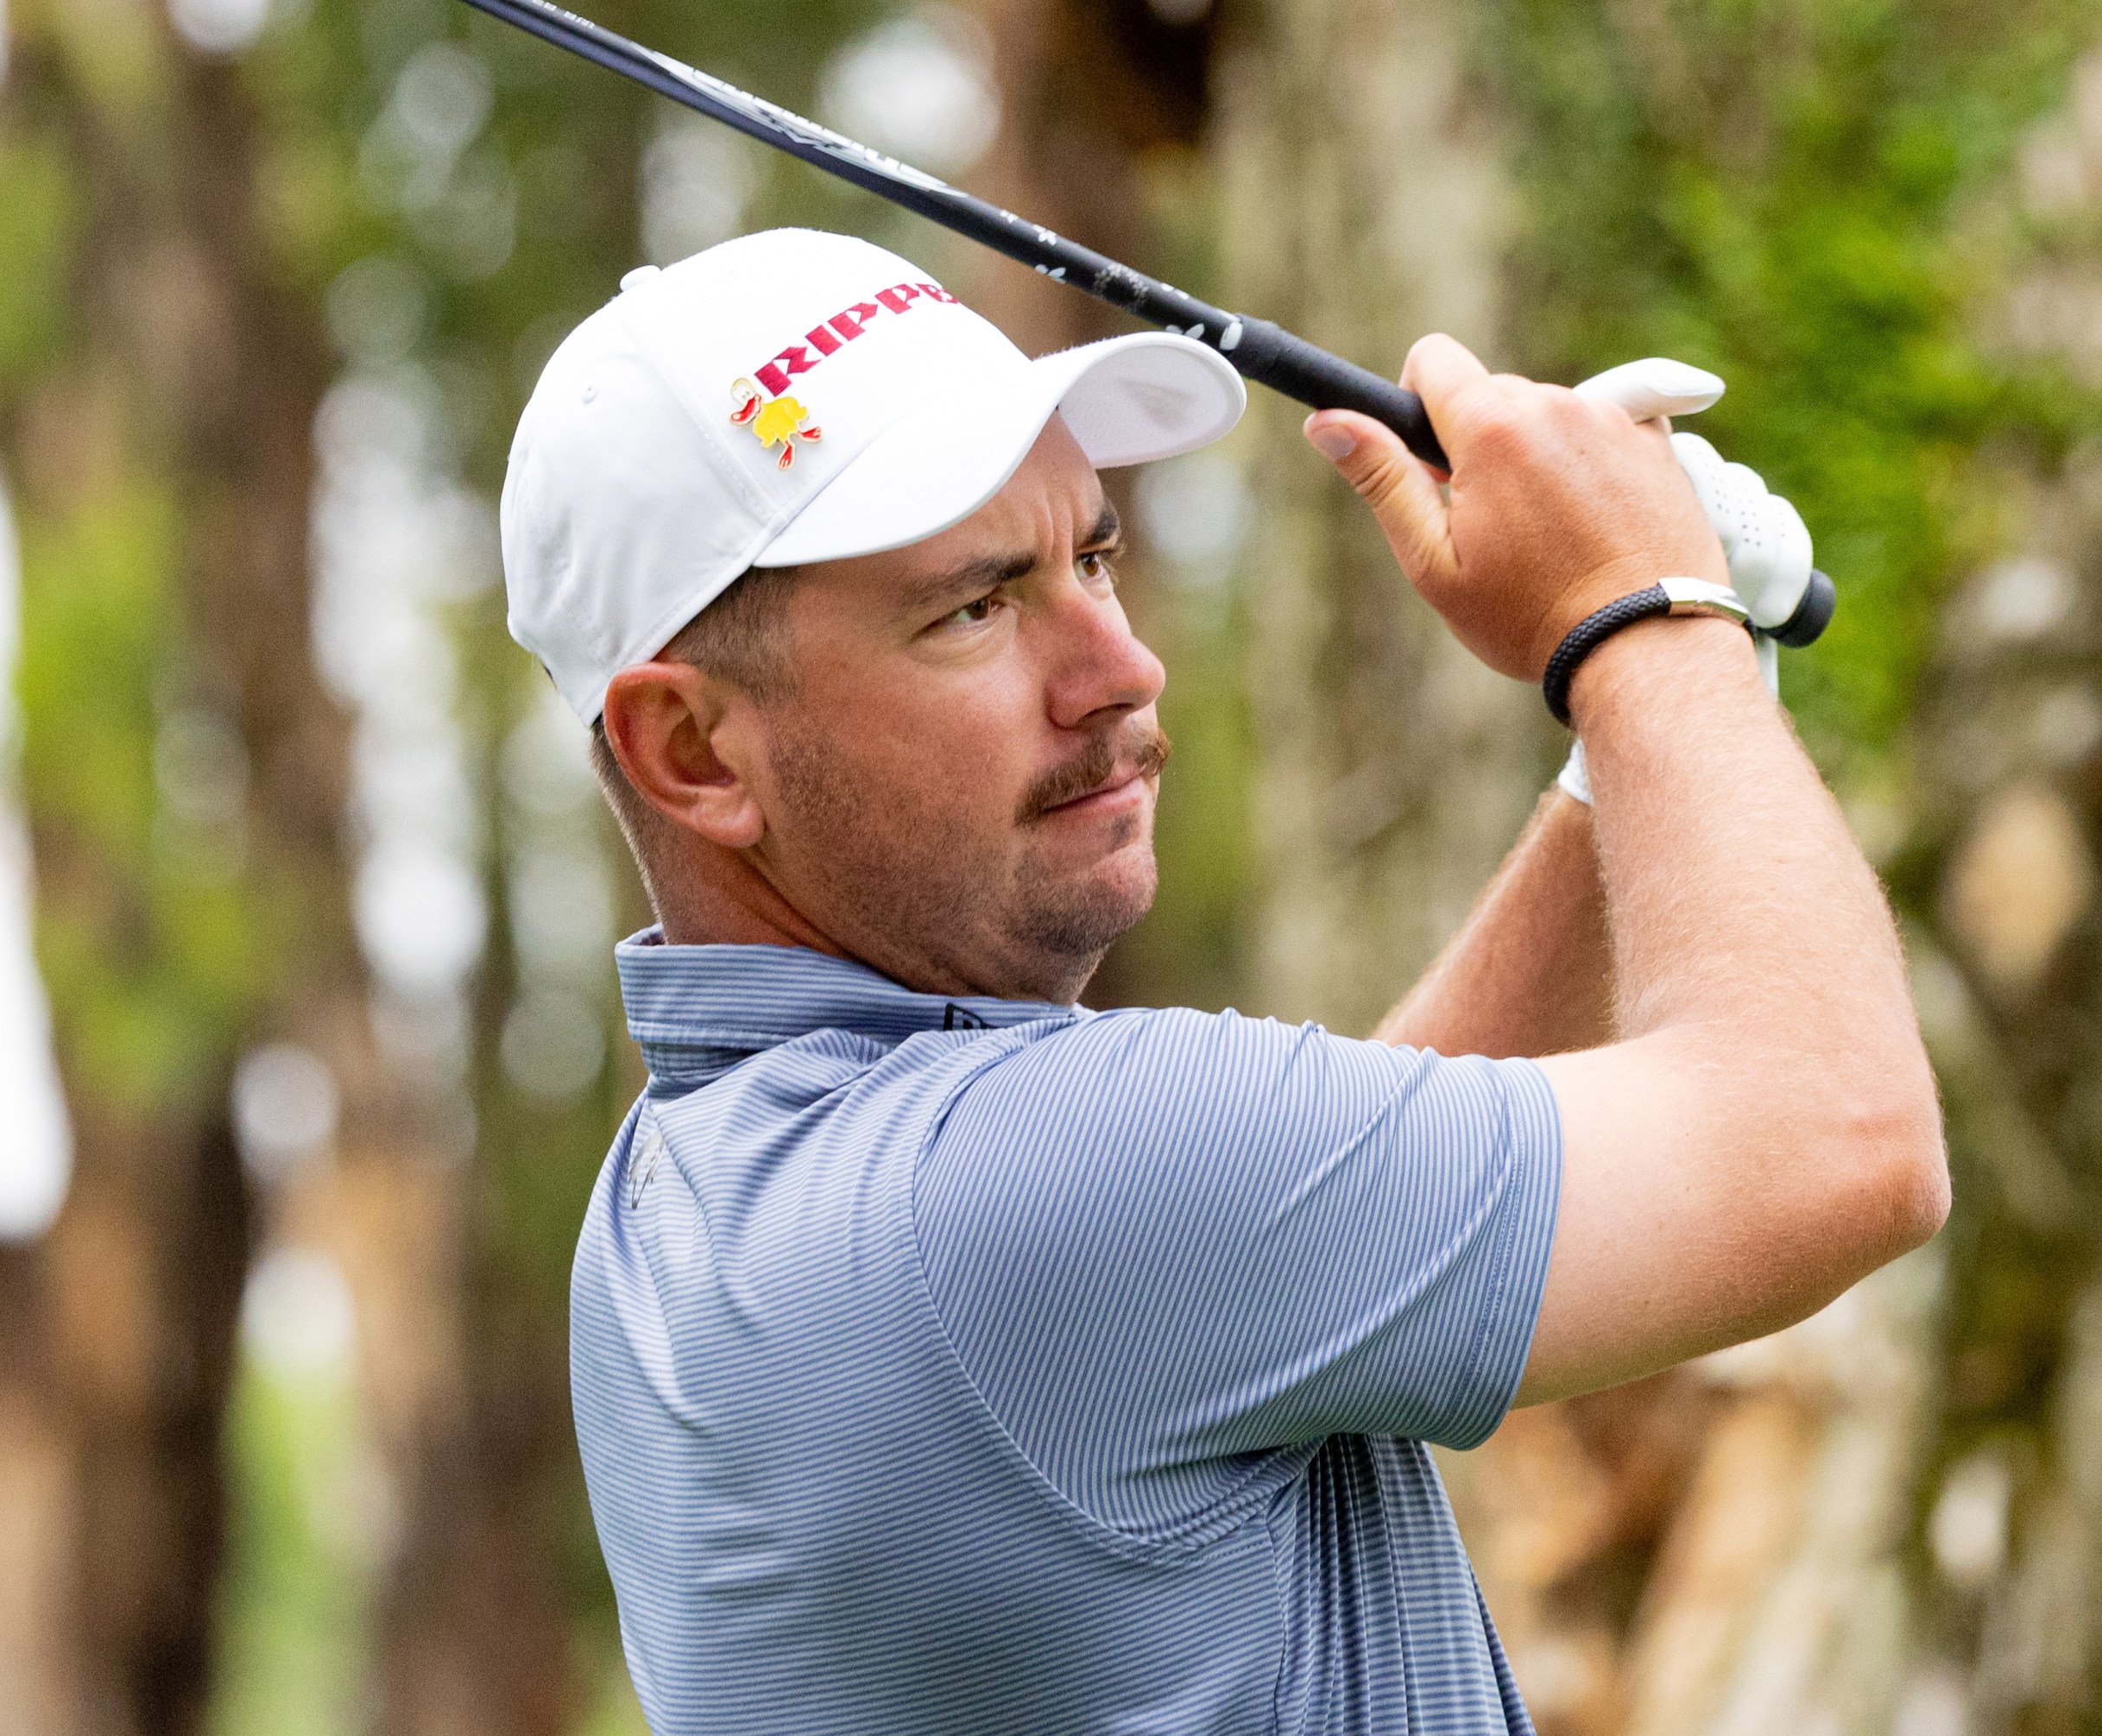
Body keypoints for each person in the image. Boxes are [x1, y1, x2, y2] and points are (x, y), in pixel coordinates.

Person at [498, 227, 1948, 1734]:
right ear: (693, 748)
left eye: (1094, 555)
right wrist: (1648, 621)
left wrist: (1633, 756)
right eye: (976, 606)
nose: (1119, 666)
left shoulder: (672, 1201)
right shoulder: (1016, 1185)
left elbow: (1285, 1234)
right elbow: (1844, 1142)